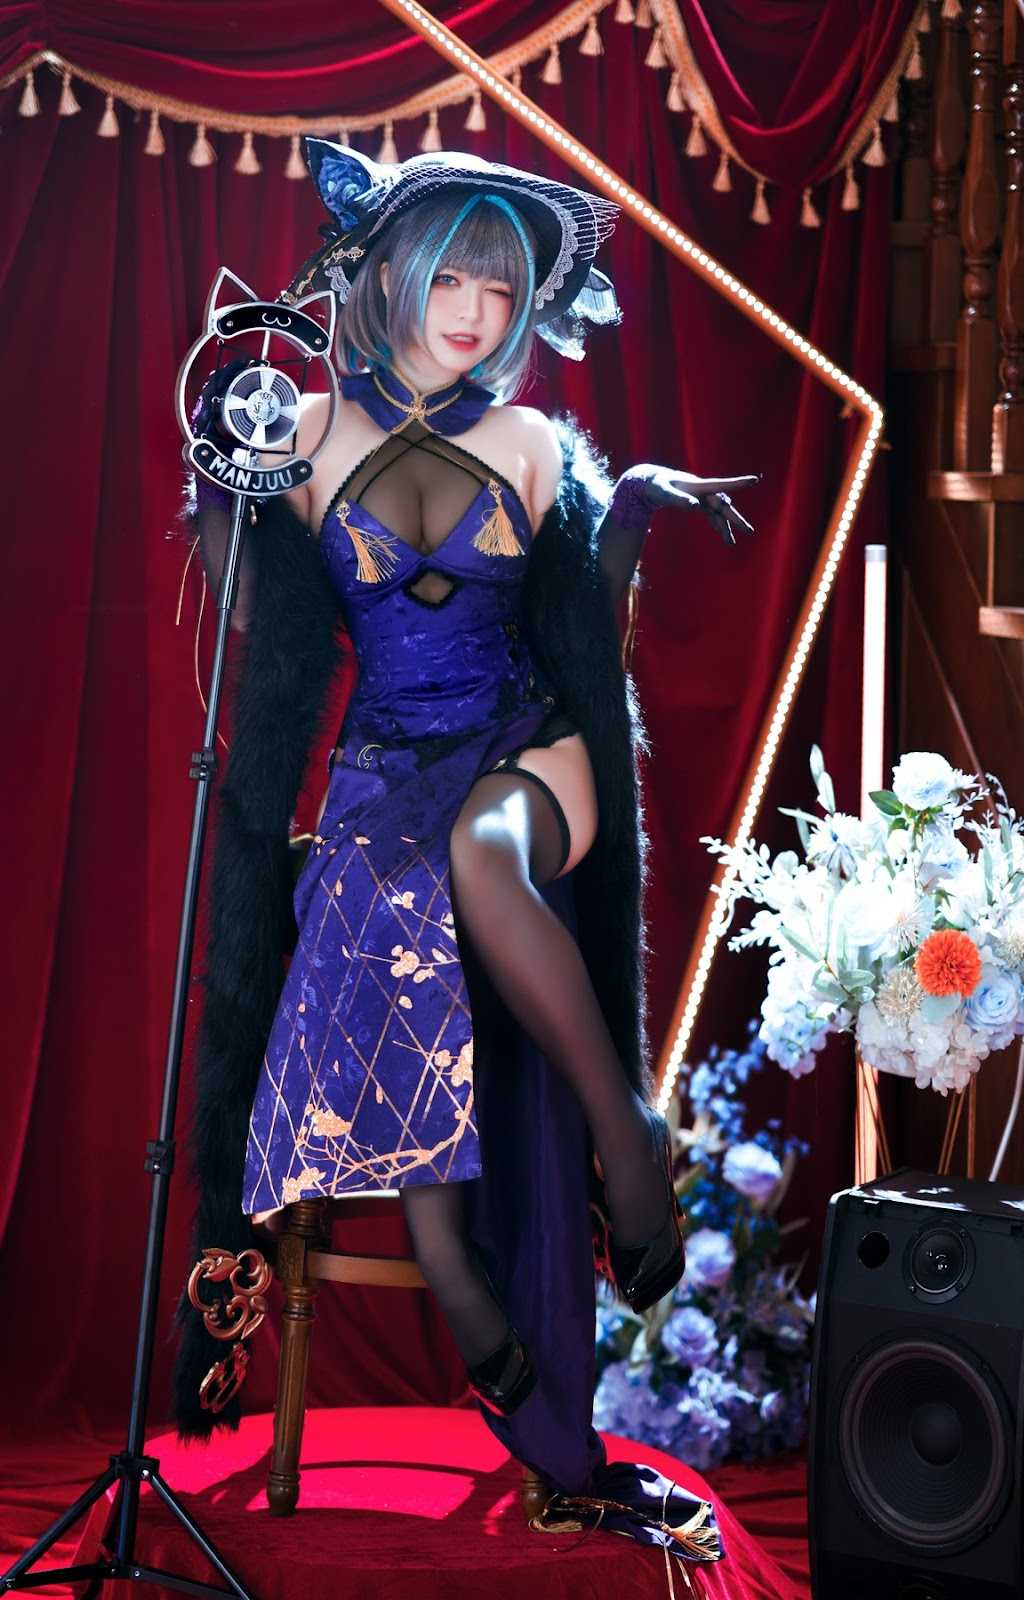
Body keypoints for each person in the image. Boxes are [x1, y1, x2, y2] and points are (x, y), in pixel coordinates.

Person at [176, 139, 756, 1567]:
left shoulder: (534, 443)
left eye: (502, 291)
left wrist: (630, 503)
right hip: (383, 774)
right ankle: (447, 1256)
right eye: (456, 280)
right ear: (387, 275)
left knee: (482, 862)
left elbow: (581, 631)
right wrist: (220, 496)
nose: (479, 312)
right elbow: (259, 621)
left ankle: (627, 1136)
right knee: (382, 915)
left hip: (526, 752)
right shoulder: (302, 431)